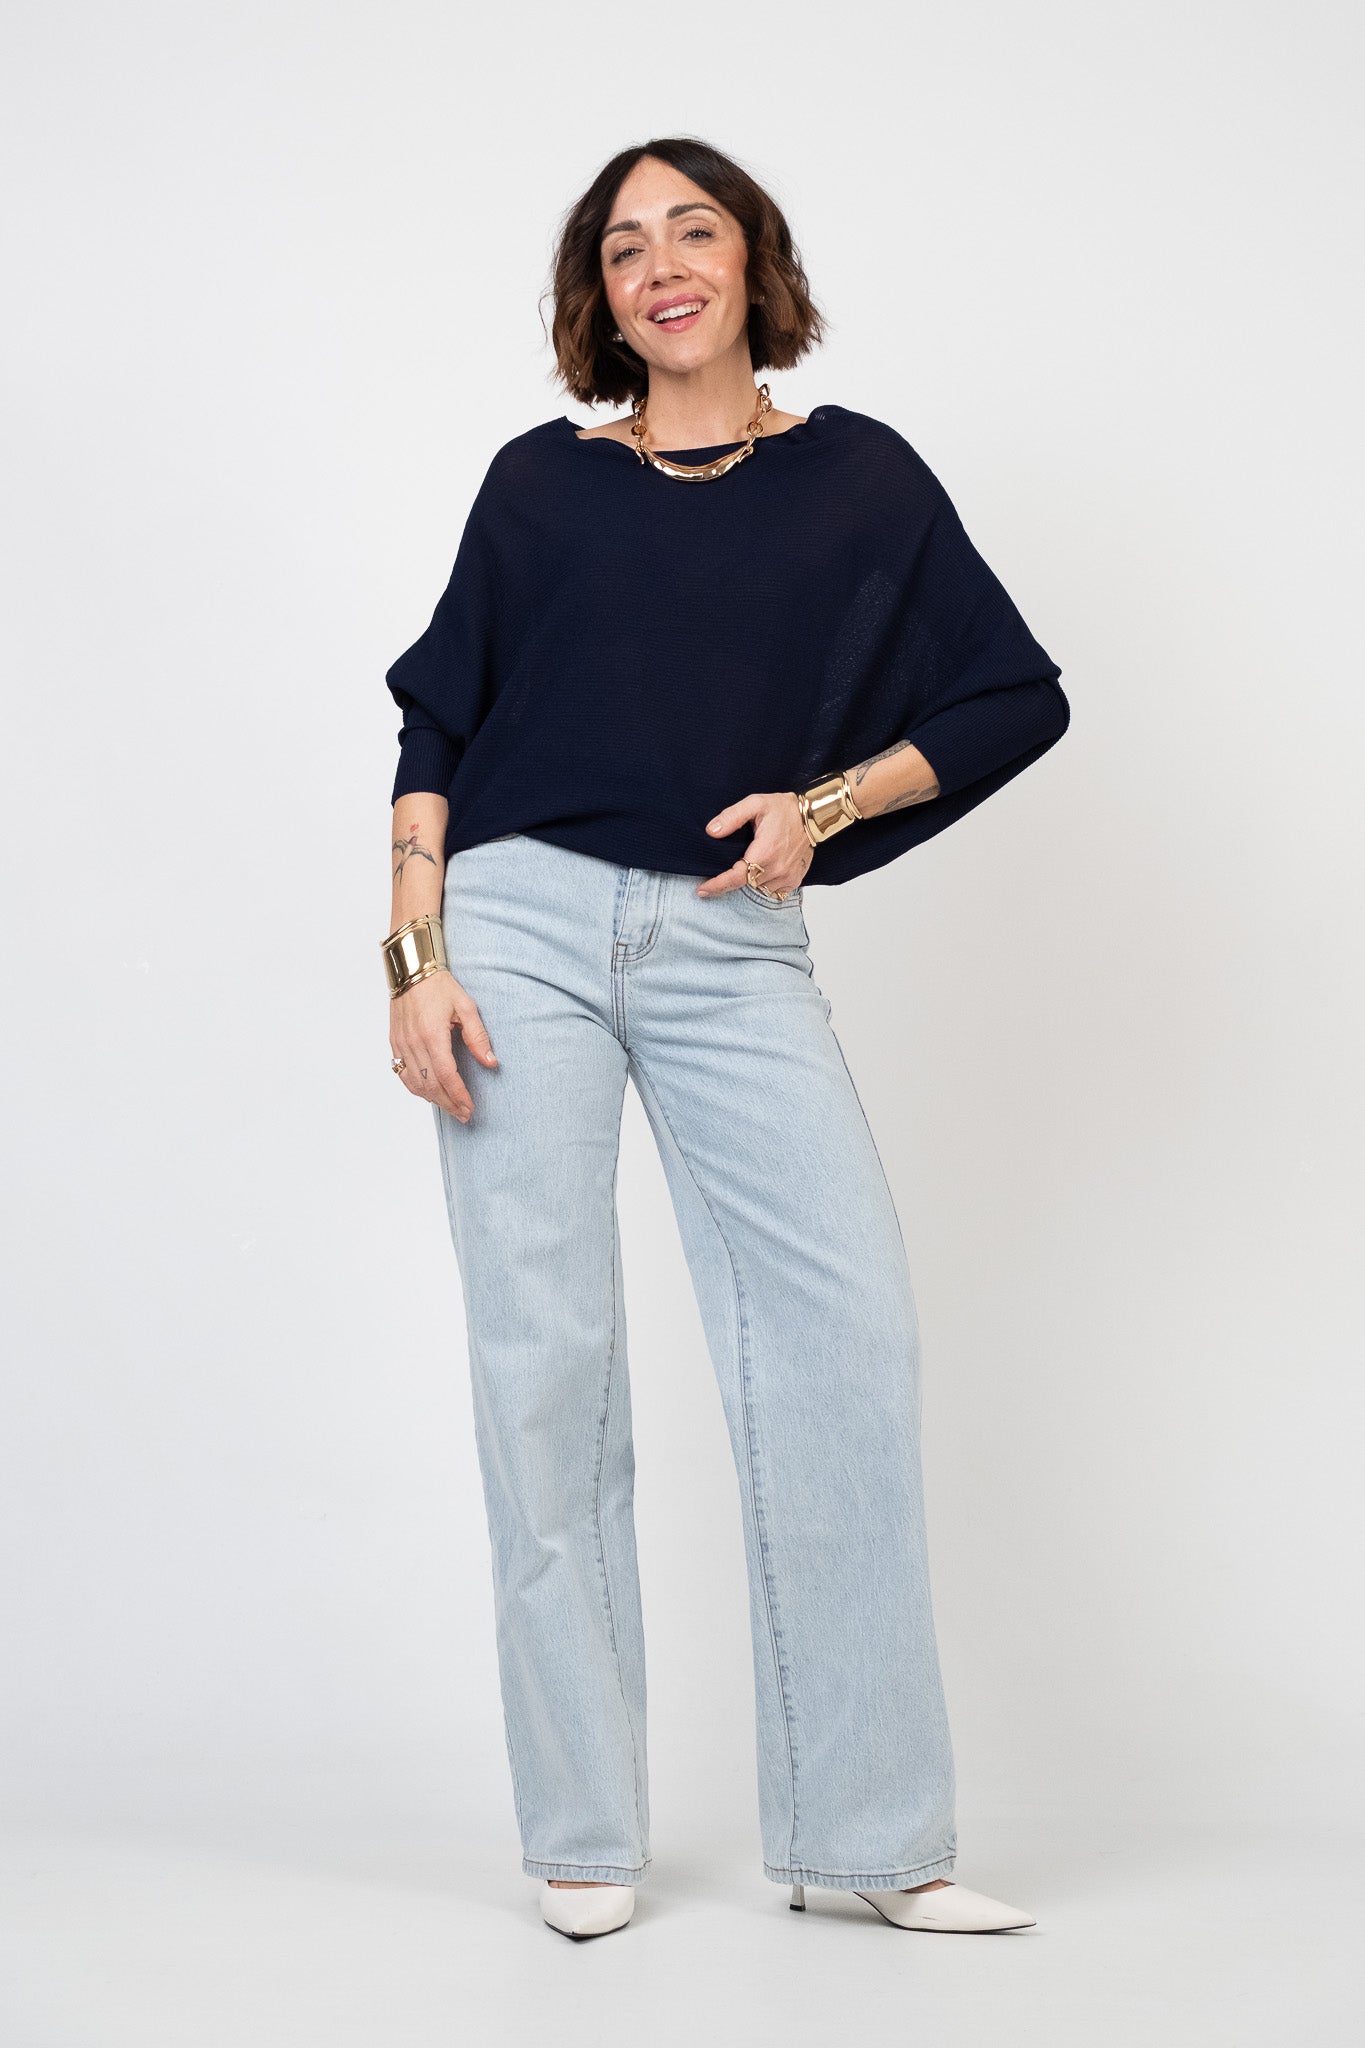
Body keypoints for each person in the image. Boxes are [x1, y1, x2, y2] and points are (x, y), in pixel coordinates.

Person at [381, 136, 1068, 1943]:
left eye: (693, 230)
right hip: (515, 929)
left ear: (755, 262)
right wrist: (412, 959)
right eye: (624, 248)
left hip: (726, 941)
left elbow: (1013, 696)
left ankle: (875, 1836)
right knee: (546, 1363)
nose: (661, 265)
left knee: (843, 1338)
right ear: (598, 299)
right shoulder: (539, 483)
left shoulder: (858, 477)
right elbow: (436, 724)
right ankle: (582, 1830)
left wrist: (819, 807)